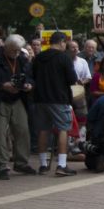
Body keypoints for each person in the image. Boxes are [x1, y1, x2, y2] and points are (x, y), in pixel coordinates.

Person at [0, 35, 38, 180]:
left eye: (18, 51)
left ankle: (21, 162)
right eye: (13, 50)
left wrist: (29, 85)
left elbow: (30, 76)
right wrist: (1, 86)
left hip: (17, 98)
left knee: (23, 130)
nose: (16, 53)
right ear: (6, 47)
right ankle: (1, 166)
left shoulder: (22, 59)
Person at [31, 31, 79, 176]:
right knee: (63, 129)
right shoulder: (64, 58)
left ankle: (43, 165)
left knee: (43, 130)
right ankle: (62, 165)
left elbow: (32, 76)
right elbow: (72, 79)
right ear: (62, 42)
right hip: (59, 98)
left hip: (40, 99)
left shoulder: (38, 58)